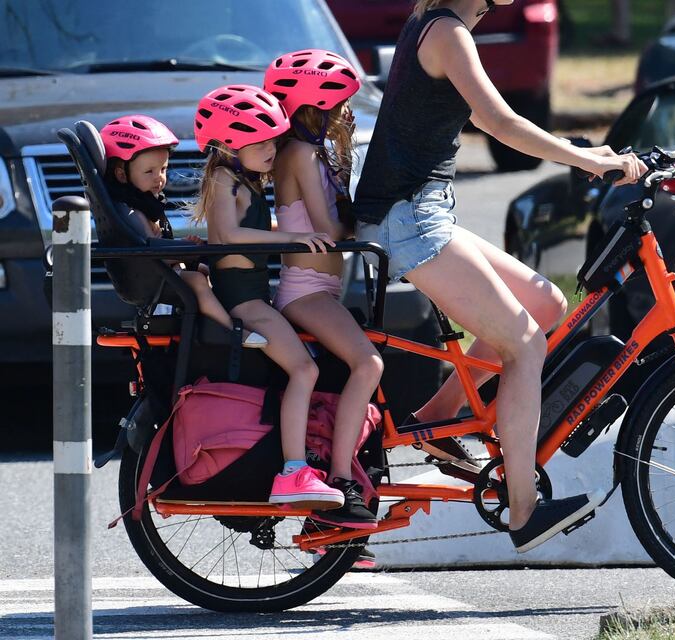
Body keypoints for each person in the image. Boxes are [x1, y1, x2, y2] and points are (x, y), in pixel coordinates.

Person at [353, 0, 646, 552]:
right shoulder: (446, 33)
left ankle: (436, 422)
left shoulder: (441, 25)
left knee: (546, 303)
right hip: (409, 220)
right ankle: (523, 508)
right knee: (526, 346)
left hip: (424, 212)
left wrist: (593, 152)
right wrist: (586, 160)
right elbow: (498, 122)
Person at [191, 84, 344, 509]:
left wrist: (293, 235)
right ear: (227, 144)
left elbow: (251, 232)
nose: (271, 149)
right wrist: (296, 237)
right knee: (303, 371)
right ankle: (294, 472)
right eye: (259, 142)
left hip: (254, 295)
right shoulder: (224, 179)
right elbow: (229, 236)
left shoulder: (246, 180)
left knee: (303, 369)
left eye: (274, 139)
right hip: (244, 301)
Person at [263, 50, 383, 529]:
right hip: (305, 290)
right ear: (316, 104)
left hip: (321, 289)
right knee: (367, 362)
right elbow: (331, 227)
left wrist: (344, 147)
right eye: (337, 106)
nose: (343, 113)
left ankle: (344, 473)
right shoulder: (300, 153)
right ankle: (340, 479)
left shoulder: (312, 151)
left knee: (364, 364)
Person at [99, 115, 267, 348]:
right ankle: (231, 331)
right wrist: (185, 251)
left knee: (210, 271)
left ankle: (222, 320)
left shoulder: (144, 206)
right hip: (152, 280)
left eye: (164, 169)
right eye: (149, 172)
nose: (159, 178)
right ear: (121, 174)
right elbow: (149, 253)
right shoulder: (133, 214)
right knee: (198, 281)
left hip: (163, 272)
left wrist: (185, 247)